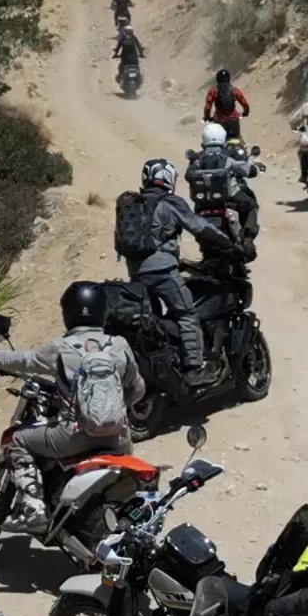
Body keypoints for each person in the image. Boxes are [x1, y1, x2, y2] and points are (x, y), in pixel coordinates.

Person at [0, 281, 146, 534]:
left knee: (18, 441)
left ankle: (34, 509)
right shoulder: (119, 345)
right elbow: (137, 390)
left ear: (68, 313)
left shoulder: (62, 347)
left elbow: (27, 360)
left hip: (74, 436)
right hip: (118, 439)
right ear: (103, 310)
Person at [119, 158, 239, 387]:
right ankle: (194, 369)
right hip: (163, 270)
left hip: (136, 272)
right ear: (168, 179)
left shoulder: (134, 205)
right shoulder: (170, 202)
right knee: (186, 313)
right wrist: (229, 245)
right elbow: (200, 227)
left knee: (152, 321)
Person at [189, 120, 261, 253]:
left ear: (204, 140)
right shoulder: (226, 157)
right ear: (223, 139)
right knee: (251, 206)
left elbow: (189, 174)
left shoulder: (198, 159)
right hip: (230, 197)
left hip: (204, 201)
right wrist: (253, 170)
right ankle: (248, 239)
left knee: (196, 212)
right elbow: (245, 170)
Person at [204, 69, 252, 141]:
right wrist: (246, 112)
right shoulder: (234, 90)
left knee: (219, 140)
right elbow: (245, 104)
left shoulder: (213, 91)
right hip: (233, 119)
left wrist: (207, 117)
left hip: (219, 120)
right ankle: (243, 150)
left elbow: (208, 107)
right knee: (238, 139)